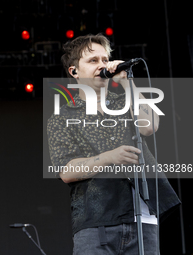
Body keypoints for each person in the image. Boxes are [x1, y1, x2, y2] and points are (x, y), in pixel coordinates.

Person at [47, 34, 180, 255]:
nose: (102, 65)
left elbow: (149, 126)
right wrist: (110, 157)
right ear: (74, 71)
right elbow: (66, 171)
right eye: (93, 61)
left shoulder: (126, 102)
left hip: (142, 218)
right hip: (95, 221)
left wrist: (128, 83)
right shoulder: (62, 117)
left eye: (104, 59)